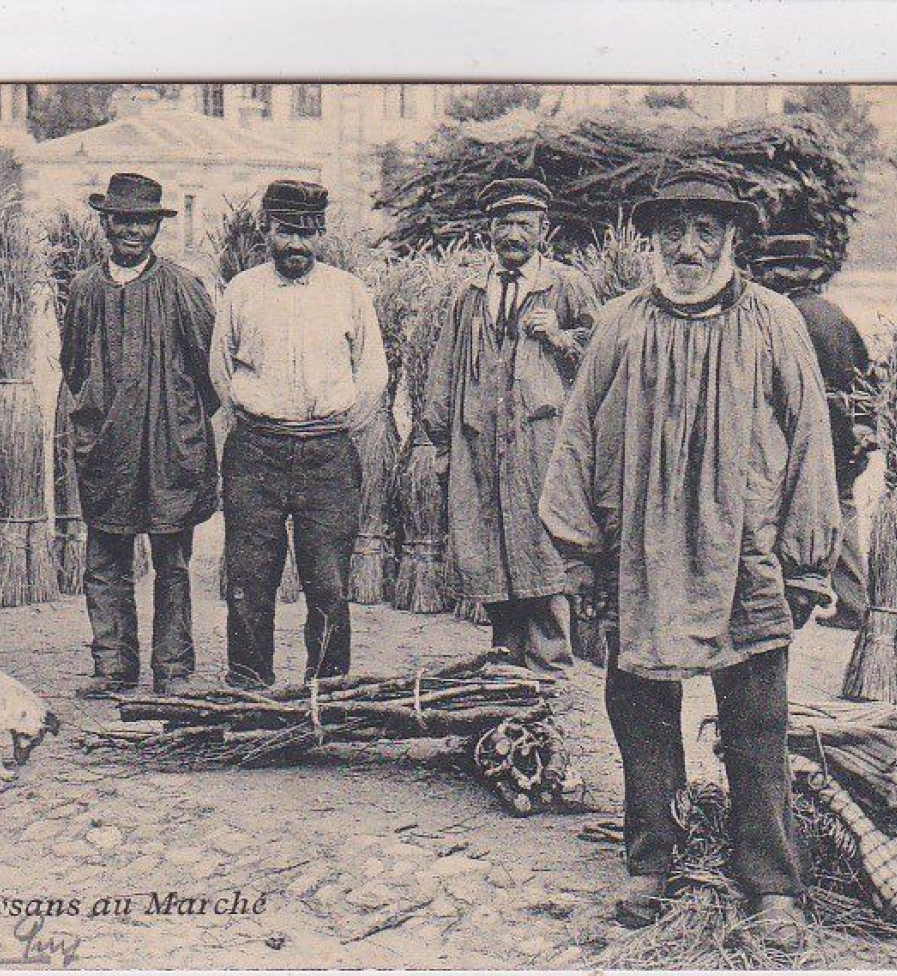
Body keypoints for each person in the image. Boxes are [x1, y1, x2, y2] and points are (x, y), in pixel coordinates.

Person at [538, 171, 841, 943]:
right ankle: (652, 860)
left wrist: (806, 560)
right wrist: (582, 552)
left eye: (707, 228)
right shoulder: (619, 324)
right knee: (639, 708)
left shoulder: (773, 322)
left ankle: (772, 884)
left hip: (745, 553)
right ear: (651, 240)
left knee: (757, 717)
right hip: (640, 553)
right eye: (672, 230)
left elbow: (810, 441)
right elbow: (577, 437)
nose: (689, 247)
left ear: (733, 239)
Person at [210, 179, 388, 688]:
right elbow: (221, 369)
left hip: (328, 453)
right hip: (256, 452)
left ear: (322, 234)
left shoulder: (347, 292)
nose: (295, 245)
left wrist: (341, 425)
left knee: (328, 582)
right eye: (285, 231)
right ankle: (249, 685)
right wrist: (252, 419)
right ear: (265, 231)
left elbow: (372, 371)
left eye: (307, 233)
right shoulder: (243, 290)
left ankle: (326, 692)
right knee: (249, 579)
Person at [419, 177, 597, 674]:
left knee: (540, 543)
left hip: (542, 442)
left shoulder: (566, 285)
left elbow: (603, 359)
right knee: (487, 544)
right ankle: (505, 659)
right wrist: (438, 440)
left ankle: (550, 667)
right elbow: (445, 366)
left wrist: (560, 337)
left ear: (544, 228)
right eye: (503, 223)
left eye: (523, 223)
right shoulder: (471, 293)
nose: (512, 233)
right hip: (479, 440)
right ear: (489, 231)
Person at [59, 172, 219, 697]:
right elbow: (74, 366)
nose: (133, 231)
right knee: (106, 559)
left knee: (172, 560)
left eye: (144, 221)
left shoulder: (182, 286)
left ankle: (172, 669)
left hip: (169, 446)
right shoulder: (84, 289)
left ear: (158, 226)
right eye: (123, 220)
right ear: (105, 223)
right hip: (105, 448)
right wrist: (95, 418)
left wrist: (177, 419)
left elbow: (209, 371)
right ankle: (113, 667)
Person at [752, 233, 876, 630]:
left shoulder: (781, 316)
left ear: (782, 274)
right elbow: (867, 379)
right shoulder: (834, 315)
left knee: (804, 508)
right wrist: (864, 427)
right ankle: (853, 599)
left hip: (808, 433)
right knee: (841, 506)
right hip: (845, 434)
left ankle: (806, 597)